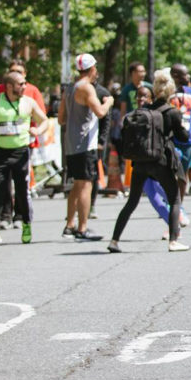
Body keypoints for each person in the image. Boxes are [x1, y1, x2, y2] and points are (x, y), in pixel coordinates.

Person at [108, 70, 190, 253]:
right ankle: (174, 240)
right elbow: (183, 137)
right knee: (174, 199)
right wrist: (182, 124)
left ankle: (114, 240)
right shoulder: (172, 112)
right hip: (161, 161)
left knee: (132, 202)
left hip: (141, 162)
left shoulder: (146, 111)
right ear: (170, 92)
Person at [60, 54, 112, 241]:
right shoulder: (87, 88)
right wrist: (109, 102)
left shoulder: (69, 89)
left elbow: (60, 119)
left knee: (77, 184)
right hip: (85, 143)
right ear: (92, 69)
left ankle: (69, 225)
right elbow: (100, 112)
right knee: (86, 185)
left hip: (71, 143)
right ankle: (82, 228)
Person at [0, 72, 49, 246]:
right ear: (9, 86)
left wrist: (38, 131)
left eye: (25, 83)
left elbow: (44, 120)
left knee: (22, 191)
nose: (24, 86)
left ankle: (26, 223)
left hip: (21, 153)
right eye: (20, 84)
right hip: (1, 153)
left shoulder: (28, 102)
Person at [168, 64, 191, 197]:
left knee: (183, 174)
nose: (188, 76)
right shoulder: (166, 92)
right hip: (170, 140)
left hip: (187, 140)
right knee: (169, 174)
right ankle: (170, 204)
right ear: (176, 76)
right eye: (186, 74)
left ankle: (179, 207)